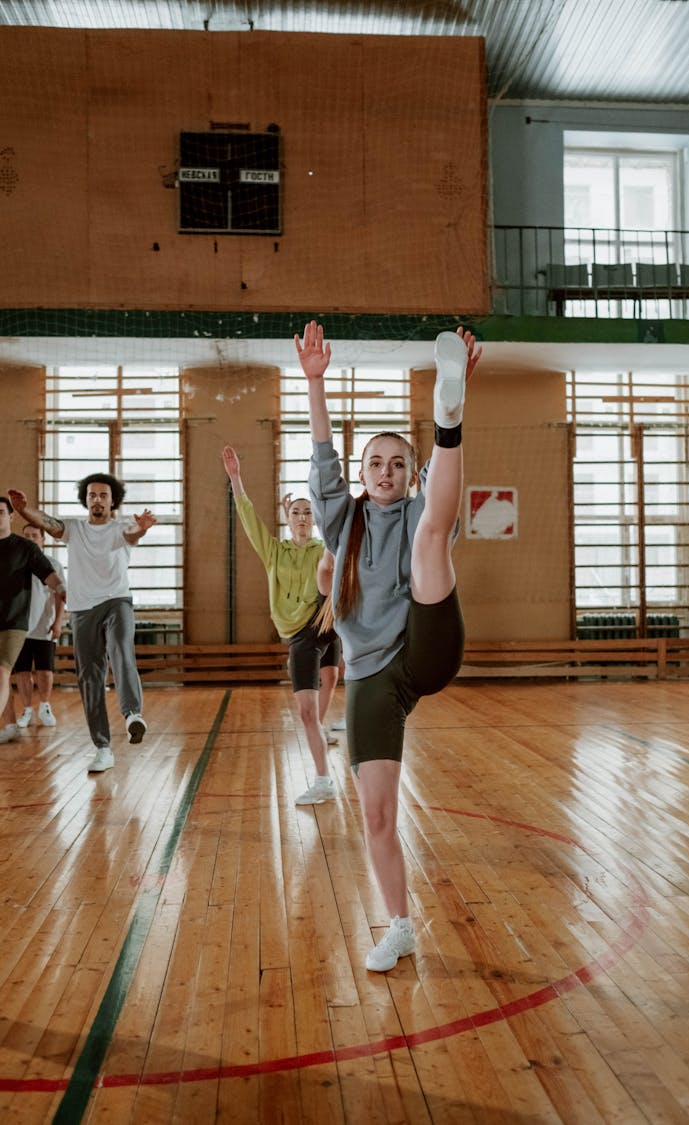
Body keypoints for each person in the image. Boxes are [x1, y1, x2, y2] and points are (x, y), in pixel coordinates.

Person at [295, 319, 481, 971]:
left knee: (434, 534)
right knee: (375, 815)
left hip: (427, 644)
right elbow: (323, 464)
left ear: (408, 473)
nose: (384, 471)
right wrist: (314, 382)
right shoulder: (343, 519)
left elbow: (440, 497)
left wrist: (447, 427)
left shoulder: (416, 508)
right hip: (373, 676)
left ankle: (449, 414)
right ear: (363, 471)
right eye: (375, 461)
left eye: (398, 463)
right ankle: (400, 925)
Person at [8, 475, 156, 773]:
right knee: (90, 677)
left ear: (113, 500)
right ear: (85, 499)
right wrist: (23, 510)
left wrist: (141, 528)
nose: (97, 499)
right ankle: (102, 747)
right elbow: (48, 522)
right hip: (82, 609)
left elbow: (131, 535)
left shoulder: (120, 527)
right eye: (92, 495)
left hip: (117, 601)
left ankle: (132, 715)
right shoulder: (74, 529)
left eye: (103, 495)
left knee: (120, 650)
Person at [222, 446, 341, 804]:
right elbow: (248, 518)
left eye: (308, 512)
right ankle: (323, 779)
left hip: (327, 619)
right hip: (299, 633)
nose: (302, 517)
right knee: (306, 710)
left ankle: (321, 729)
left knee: (332, 676)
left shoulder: (324, 547)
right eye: (296, 512)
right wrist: (235, 479)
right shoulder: (274, 550)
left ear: (315, 518)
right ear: (288, 518)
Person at [0, 497, 66, 744]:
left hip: (16, 621)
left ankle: (42, 706)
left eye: (0, 513)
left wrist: (61, 589)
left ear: (10, 516)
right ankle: (10, 723)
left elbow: (50, 575)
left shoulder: (25, 549)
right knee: (8, 675)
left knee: (5, 672)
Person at [13, 524, 66, 729]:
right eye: (27, 536)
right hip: (19, 627)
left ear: (43, 540)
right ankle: (27, 709)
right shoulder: (15, 564)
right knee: (22, 671)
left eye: (35, 536)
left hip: (44, 626)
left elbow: (61, 594)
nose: (31, 539)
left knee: (45, 670)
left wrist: (58, 621)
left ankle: (44, 706)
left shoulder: (53, 564)